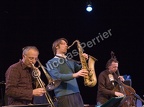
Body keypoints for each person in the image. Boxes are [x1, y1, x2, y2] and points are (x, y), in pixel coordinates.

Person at [46, 38, 89, 107]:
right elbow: (57, 76)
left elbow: (80, 68)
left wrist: (84, 60)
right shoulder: (51, 62)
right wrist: (75, 75)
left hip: (76, 92)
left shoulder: (69, 60)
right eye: (63, 44)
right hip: (64, 94)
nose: (66, 45)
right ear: (56, 46)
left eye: (66, 44)